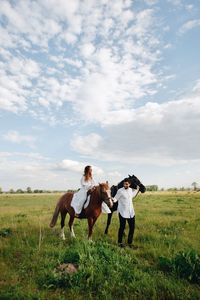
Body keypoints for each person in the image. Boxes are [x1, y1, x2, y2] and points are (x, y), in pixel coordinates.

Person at [113, 178, 139, 248]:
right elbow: (115, 198)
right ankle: (119, 242)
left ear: (129, 184)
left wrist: (137, 189)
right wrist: (112, 200)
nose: (125, 185)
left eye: (126, 184)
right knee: (122, 227)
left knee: (132, 228)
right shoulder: (120, 191)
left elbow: (132, 195)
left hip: (131, 212)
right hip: (122, 212)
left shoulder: (131, 190)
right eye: (124, 184)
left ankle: (130, 243)